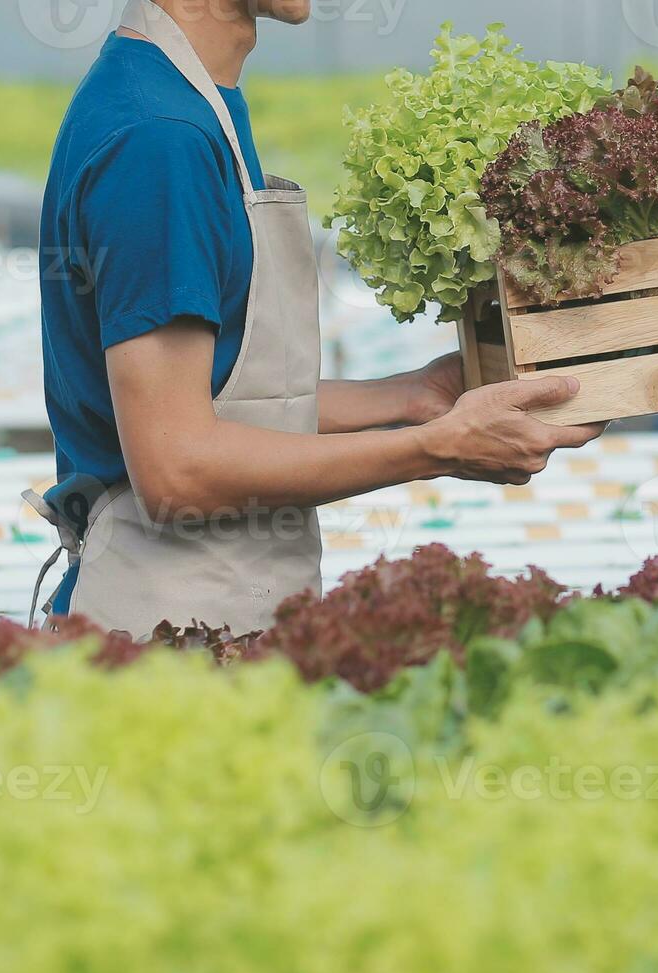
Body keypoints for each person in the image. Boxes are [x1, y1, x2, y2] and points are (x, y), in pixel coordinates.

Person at [30, 0, 603, 634]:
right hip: (163, 641)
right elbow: (176, 468)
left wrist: (411, 397)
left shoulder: (176, 99)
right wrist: (436, 448)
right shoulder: (159, 138)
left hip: (207, 618)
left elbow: (221, 400)